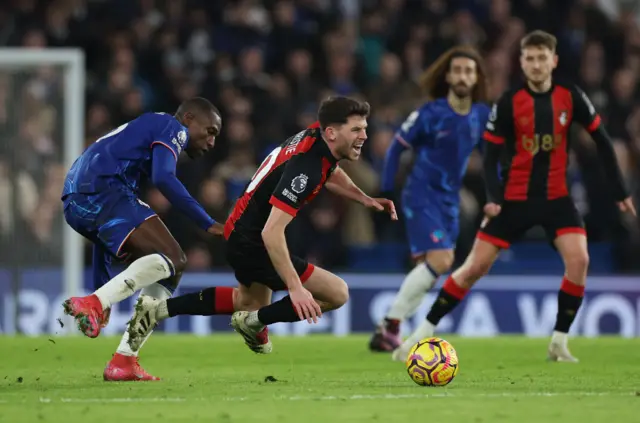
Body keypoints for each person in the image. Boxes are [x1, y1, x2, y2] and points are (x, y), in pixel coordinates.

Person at [391, 30, 636, 362]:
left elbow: (603, 141)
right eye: (530, 58)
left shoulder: (571, 97)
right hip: (512, 200)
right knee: (472, 269)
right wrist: (493, 197)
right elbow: (490, 156)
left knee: (579, 260)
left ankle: (559, 342)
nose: (536, 65)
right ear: (522, 62)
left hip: (557, 199)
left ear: (554, 61)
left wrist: (620, 191)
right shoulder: (508, 103)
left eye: (541, 58)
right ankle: (422, 332)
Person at [124, 96, 398, 354]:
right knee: (337, 293)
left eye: (364, 128)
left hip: (240, 229)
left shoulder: (316, 138)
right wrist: (295, 287)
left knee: (245, 303)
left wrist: (363, 198)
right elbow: (272, 231)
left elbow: (332, 170)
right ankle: (252, 323)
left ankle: (156, 310)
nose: (364, 136)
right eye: (356, 130)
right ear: (332, 133)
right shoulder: (306, 168)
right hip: (254, 240)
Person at [61, 98, 225, 380]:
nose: (211, 142)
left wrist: (103, 289)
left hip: (77, 201)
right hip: (101, 190)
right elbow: (163, 177)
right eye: (210, 131)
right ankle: (94, 303)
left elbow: (101, 238)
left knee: (173, 267)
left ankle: (124, 359)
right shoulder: (172, 126)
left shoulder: (140, 138)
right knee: (174, 258)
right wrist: (206, 222)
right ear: (188, 118)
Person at [368, 46, 490, 353]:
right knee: (442, 260)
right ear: (447, 76)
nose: (462, 76)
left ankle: (386, 329)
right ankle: (393, 325)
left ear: (477, 78)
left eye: (469, 71)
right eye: (458, 70)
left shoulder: (481, 115)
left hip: (450, 201)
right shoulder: (430, 113)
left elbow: (494, 155)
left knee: (431, 270)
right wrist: (385, 191)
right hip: (421, 193)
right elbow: (396, 148)